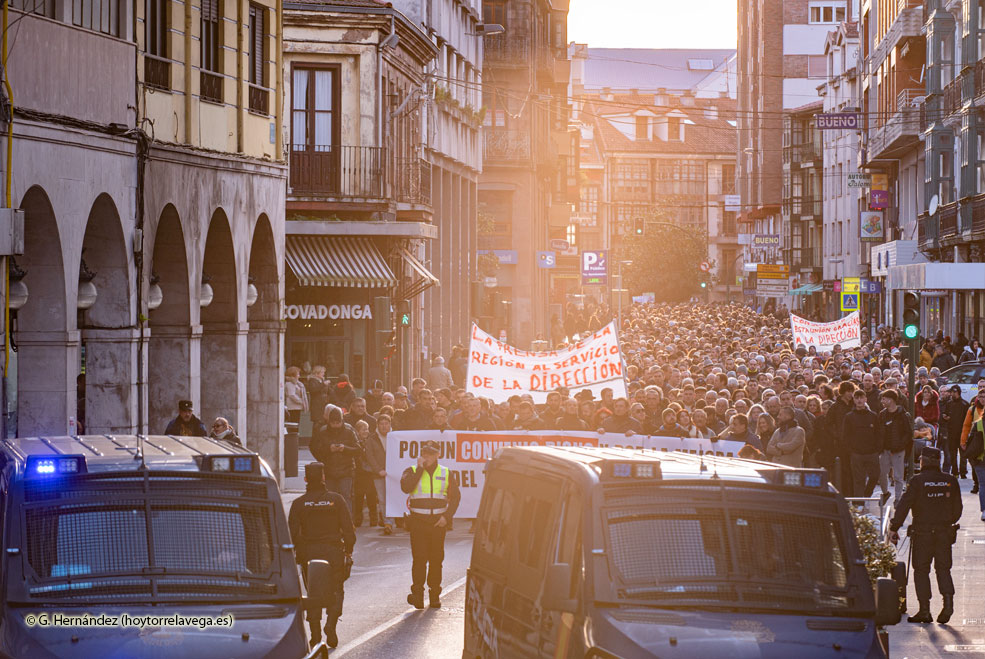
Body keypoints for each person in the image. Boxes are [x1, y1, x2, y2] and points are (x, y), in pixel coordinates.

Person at [889, 446, 961, 625]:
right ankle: (948, 603)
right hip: (944, 532)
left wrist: (894, 527)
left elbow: (905, 505)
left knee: (921, 570)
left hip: (923, 532)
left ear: (924, 461)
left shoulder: (917, 481)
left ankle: (924, 610)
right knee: (943, 568)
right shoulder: (950, 480)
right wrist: (946, 521)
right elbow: (958, 509)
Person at [288, 462, 356, 648]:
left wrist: (298, 554)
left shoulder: (298, 504)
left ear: (306, 479)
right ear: (324, 478)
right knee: (336, 589)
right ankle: (331, 624)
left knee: (313, 593)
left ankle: (315, 635)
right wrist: (348, 550)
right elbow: (348, 530)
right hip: (333, 551)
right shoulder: (337, 499)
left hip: (309, 553)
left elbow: (292, 534)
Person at [400, 440, 461, 609]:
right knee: (419, 559)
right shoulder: (411, 470)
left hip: (437, 524)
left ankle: (434, 595)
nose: (427, 457)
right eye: (424, 453)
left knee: (436, 560)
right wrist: (420, 469)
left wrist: (447, 517)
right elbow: (406, 487)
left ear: (437, 455)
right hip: (418, 523)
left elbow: (455, 497)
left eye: (431, 454)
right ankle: (417, 595)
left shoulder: (446, 472)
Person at [310, 405, 361, 512]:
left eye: (338, 423)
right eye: (333, 423)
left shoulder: (349, 430)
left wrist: (345, 449)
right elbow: (315, 448)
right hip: (329, 470)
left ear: (342, 421)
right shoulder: (322, 431)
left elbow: (358, 449)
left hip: (346, 470)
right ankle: (332, 522)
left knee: (346, 497)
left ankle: (348, 522)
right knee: (330, 498)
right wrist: (329, 449)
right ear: (329, 422)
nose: (336, 425)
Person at [878, 389, 913, 506]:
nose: (882, 401)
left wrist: (899, 446)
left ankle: (898, 499)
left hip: (898, 450)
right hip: (885, 449)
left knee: (898, 476)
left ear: (891, 400)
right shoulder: (882, 414)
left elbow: (908, 433)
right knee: (881, 473)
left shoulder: (903, 415)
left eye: (884, 398)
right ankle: (885, 492)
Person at [960, 387, 985, 515]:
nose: (982, 399)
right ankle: (984, 510)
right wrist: (963, 442)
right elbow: (966, 426)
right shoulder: (972, 409)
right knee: (982, 483)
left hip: (979, 456)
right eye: (981, 397)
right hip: (979, 455)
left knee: (983, 484)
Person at [351, 420, 379, 528]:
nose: (366, 431)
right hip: (359, 473)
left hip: (369, 473)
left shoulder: (370, 441)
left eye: (367, 429)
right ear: (357, 431)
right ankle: (358, 519)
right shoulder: (355, 442)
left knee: (371, 496)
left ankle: (374, 519)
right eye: (363, 429)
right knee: (359, 497)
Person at [942, 385, 970, 478]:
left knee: (963, 454)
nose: (952, 394)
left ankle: (963, 472)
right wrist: (945, 417)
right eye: (951, 392)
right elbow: (944, 414)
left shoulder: (965, 404)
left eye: (954, 392)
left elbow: (969, 419)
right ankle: (955, 471)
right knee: (953, 453)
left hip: (962, 432)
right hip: (951, 432)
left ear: (958, 392)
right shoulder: (949, 403)